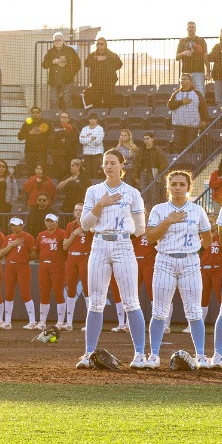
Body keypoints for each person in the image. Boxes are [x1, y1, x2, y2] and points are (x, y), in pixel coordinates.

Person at [74, 149, 148, 368]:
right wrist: (101, 204)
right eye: (105, 163)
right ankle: (88, 354)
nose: (108, 166)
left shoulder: (132, 192)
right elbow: (85, 225)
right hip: (99, 243)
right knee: (95, 302)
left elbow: (140, 228)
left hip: (123, 244)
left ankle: (140, 355)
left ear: (122, 166)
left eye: (113, 163)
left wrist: (123, 229)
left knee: (131, 301)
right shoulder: (94, 191)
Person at [142, 168, 216, 366]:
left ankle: (200, 355)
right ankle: (154, 356)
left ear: (188, 188)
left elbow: (207, 239)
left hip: (190, 261)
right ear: (168, 187)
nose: (177, 188)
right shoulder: (159, 209)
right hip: (164, 260)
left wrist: (194, 252)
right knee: (159, 311)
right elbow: (149, 237)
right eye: (173, 184)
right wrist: (168, 221)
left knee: (194, 311)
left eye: (182, 184)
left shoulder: (197, 210)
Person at [40, 33, 81, 111]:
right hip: (54, 81)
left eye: (59, 40)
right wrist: (52, 62)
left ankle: (69, 117)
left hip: (67, 81)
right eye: (55, 40)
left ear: (63, 41)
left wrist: (71, 74)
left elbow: (78, 64)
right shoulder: (51, 52)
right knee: (53, 100)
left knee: (67, 99)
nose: (57, 42)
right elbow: (44, 65)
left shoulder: (70, 50)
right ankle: (55, 118)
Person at [83, 39, 123, 110]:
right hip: (96, 82)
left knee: (108, 101)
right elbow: (86, 63)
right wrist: (96, 59)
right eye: (98, 44)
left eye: (102, 44)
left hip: (108, 82)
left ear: (105, 45)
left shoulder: (111, 55)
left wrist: (109, 65)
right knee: (96, 101)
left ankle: (108, 116)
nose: (100, 46)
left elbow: (119, 64)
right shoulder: (93, 55)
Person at [167, 75, 202, 153]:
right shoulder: (176, 93)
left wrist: (204, 120)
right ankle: (179, 164)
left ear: (190, 81)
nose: (182, 81)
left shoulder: (197, 93)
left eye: (185, 79)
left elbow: (202, 107)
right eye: (181, 79)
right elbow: (170, 105)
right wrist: (181, 102)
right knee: (178, 147)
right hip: (178, 125)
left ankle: (190, 164)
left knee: (191, 147)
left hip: (192, 126)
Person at [176, 24, 207, 94]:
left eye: (193, 27)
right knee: (185, 92)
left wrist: (208, 71)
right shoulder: (182, 41)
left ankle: (201, 105)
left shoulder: (201, 40)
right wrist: (183, 53)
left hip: (198, 71)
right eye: (189, 27)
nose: (191, 29)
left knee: (200, 93)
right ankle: (186, 105)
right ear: (187, 29)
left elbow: (205, 56)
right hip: (186, 71)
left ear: (195, 29)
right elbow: (177, 57)